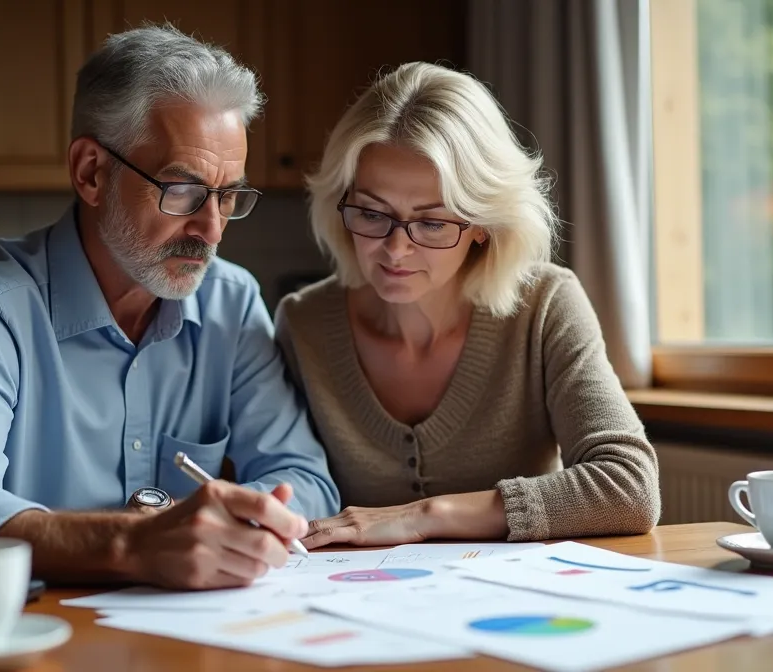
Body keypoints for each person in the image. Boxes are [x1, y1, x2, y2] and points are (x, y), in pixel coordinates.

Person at [0, 24, 339, 590]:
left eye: (228, 196)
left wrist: (255, 520)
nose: (212, 229)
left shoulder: (231, 302)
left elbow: (304, 480)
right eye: (183, 190)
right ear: (91, 173)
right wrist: (130, 543)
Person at [275, 62, 660, 549]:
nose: (395, 250)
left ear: (483, 224)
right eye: (372, 213)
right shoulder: (303, 323)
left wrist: (425, 515)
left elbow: (629, 487)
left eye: (432, 223)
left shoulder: (544, 305)